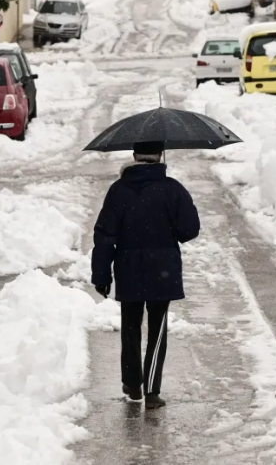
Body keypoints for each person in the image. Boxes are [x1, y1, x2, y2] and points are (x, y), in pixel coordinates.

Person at [91, 140, 201, 409]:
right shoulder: (172, 189)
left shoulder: (118, 191)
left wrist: (101, 275)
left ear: (134, 156)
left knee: (130, 328)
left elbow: (105, 236)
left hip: (128, 269)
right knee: (157, 330)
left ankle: (132, 384)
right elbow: (189, 230)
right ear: (160, 155)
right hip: (162, 271)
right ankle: (152, 391)